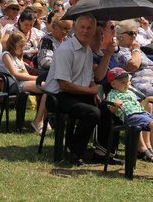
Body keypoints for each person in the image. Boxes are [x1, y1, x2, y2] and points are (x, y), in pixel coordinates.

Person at [43, 14, 114, 166]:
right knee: (92, 113)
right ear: (75, 28)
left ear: (94, 30)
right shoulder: (65, 50)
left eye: (89, 28)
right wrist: (90, 91)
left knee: (108, 107)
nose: (85, 31)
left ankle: (101, 151)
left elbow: (87, 76)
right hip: (58, 96)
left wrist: (93, 90)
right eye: (82, 27)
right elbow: (64, 84)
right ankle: (74, 151)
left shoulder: (87, 49)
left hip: (77, 94)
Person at [0, 32, 48, 134]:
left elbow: (25, 74)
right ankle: (38, 120)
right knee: (47, 86)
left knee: (50, 87)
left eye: (23, 46)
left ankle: (42, 119)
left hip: (23, 83)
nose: (22, 48)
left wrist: (36, 79)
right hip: (13, 84)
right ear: (12, 44)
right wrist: (37, 79)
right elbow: (16, 74)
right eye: (20, 46)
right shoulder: (6, 55)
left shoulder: (18, 57)